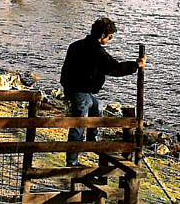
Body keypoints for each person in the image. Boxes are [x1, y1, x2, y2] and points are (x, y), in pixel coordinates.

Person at [60, 17, 146, 167]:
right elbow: (115, 68)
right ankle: (72, 161)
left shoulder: (75, 46)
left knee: (97, 107)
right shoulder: (96, 52)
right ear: (102, 36)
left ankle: (92, 139)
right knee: (79, 124)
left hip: (73, 89)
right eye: (109, 37)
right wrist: (136, 65)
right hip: (81, 92)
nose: (109, 39)